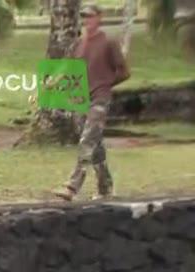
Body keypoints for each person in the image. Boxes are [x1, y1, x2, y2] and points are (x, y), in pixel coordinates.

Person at [54, 4, 130, 201]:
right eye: (84, 17)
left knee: (87, 141)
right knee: (95, 145)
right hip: (81, 100)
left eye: (90, 16)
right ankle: (105, 187)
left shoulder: (108, 42)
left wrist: (106, 84)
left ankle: (72, 186)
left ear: (99, 18)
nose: (86, 20)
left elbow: (124, 72)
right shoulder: (79, 43)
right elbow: (70, 70)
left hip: (100, 98)